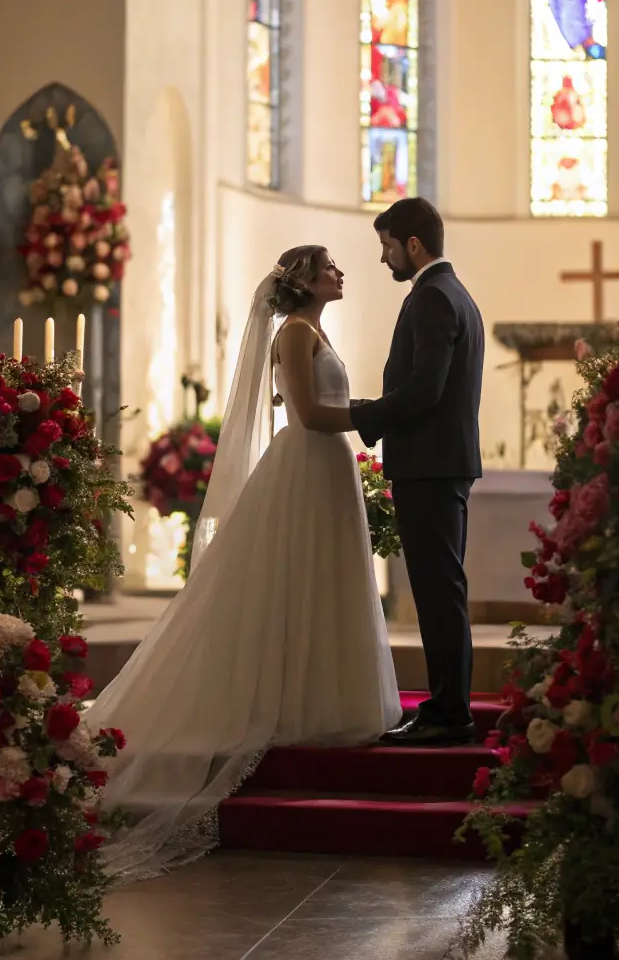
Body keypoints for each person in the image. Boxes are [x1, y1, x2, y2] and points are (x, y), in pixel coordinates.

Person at [89, 246, 400, 879]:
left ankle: (323, 701)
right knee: (296, 585)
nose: (341, 274)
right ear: (305, 279)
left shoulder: (315, 329)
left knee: (326, 588)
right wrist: (375, 413)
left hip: (330, 466)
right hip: (308, 465)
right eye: (330, 267)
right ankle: (291, 702)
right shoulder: (292, 333)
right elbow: (310, 415)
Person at [321, 197, 485, 746]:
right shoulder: (451, 293)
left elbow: (424, 391)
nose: (384, 258)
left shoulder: (435, 297)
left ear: (413, 245)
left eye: (387, 246)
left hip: (431, 466)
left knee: (438, 592)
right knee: (440, 589)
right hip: (437, 463)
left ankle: (450, 714)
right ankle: (446, 705)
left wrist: (357, 415)